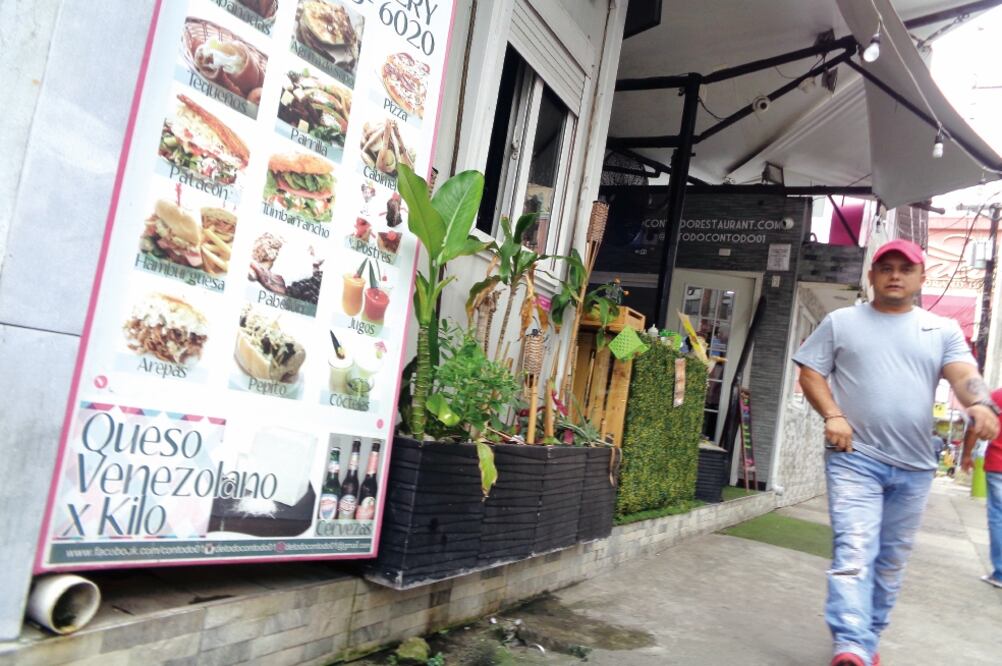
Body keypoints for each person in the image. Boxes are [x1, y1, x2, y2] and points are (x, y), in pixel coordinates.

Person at [793, 239, 1000, 666]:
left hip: (916, 467)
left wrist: (979, 403)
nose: (894, 275)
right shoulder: (841, 322)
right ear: (871, 276)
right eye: (885, 267)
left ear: (922, 278)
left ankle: (868, 638)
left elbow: (963, 374)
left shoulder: (940, 329)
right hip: (855, 458)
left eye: (905, 269)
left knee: (890, 562)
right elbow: (811, 372)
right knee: (854, 549)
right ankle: (850, 643)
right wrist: (833, 414)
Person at [960, 388, 1002, 589]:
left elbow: (974, 426)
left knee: (999, 518)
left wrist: (966, 455)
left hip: (998, 464)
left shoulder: (996, 396)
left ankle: (1001, 574)